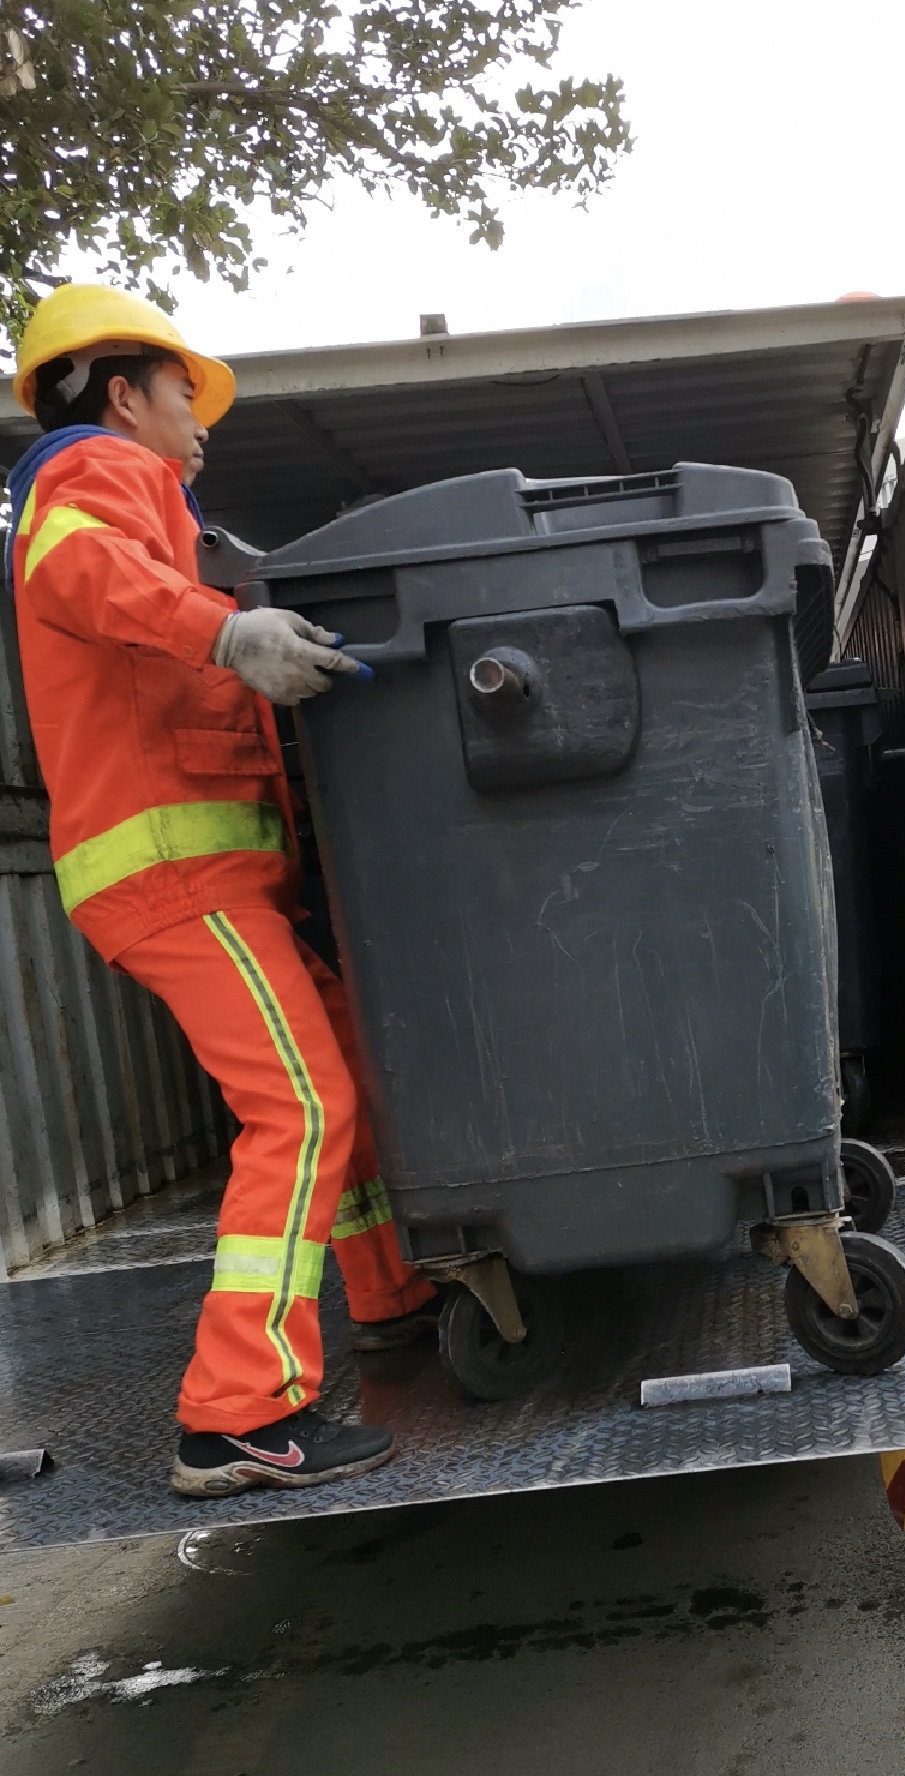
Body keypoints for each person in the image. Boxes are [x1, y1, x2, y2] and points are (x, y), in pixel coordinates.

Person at [6, 284, 438, 1498]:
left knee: (329, 1075)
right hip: (171, 870)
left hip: (211, 873)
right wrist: (224, 634)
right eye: (184, 397)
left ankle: (389, 1296)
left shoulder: (148, 499)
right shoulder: (90, 470)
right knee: (299, 1106)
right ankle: (236, 1415)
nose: (201, 426)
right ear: (120, 389)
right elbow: (74, 574)